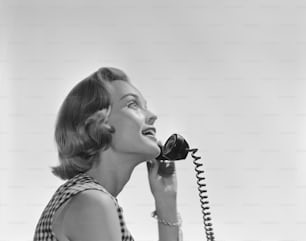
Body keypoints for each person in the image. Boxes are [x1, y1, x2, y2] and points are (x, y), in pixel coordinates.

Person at [33, 67, 183, 241]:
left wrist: (166, 200)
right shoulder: (94, 203)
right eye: (133, 104)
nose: (152, 116)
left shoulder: (87, 196)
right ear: (94, 124)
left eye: (145, 107)